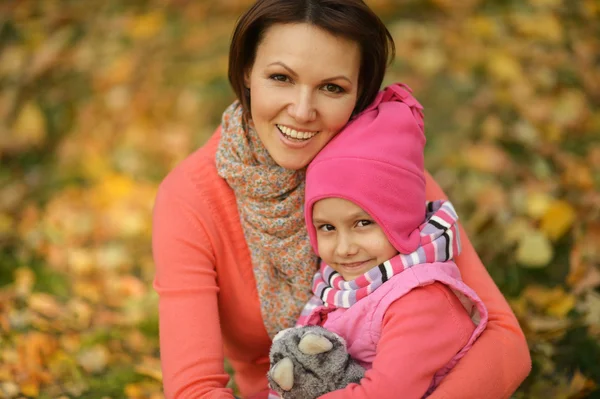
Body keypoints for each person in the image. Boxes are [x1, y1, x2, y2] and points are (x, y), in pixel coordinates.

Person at [151, 1, 531, 398]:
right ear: (247, 71)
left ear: (359, 93)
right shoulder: (190, 200)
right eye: (281, 77)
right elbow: (195, 390)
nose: (301, 111)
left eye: (331, 87)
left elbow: (505, 343)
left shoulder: (384, 169)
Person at [269, 83, 489, 399]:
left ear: (400, 218)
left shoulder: (421, 301)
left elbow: (384, 393)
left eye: (363, 223)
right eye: (327, 228)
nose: (344, 248)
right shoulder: (349, 286)